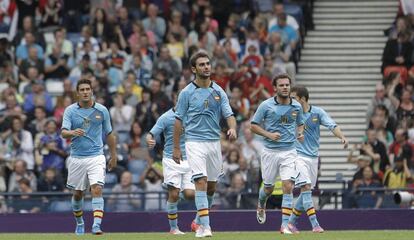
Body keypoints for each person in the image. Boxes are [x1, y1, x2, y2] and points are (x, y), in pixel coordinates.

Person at [173, 51, 237, 238]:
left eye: (208, 63)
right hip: (194, 142)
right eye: (201, 64)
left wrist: (232, 128)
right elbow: (178, 120)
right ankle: (205, 227)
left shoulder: (219, 91)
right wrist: (176, 147)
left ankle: (198, 221)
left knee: (211, 187)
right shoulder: (186, 93)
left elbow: (229, 115)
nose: (206, 67)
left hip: (214, 143)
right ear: (194, 69)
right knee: (200, 181)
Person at [288, 85, 348, 233]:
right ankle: (315, 224)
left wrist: (342, 137)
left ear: (302, 99)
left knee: (306, 192)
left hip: (313, 158)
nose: (291, 101)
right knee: (306, 187)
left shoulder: (317, 112)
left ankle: (290, 222)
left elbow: (331, 125)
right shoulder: (291, 114)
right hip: (298, 156)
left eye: (294, 98)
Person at [61, 79, 117, 235]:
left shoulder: (102, 110)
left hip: (96, 156)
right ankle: (80, 222)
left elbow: (110, 133)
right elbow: (63, 132)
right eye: (82, 89)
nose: (85, 92)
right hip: (77, 158)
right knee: (78, 193)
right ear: (77, 93)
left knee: (97, 189)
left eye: (88, 89)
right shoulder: (70, 111)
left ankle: (96, 226)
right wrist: (72, 132)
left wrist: (113, 155)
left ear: (92, 91)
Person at [250, 73, 304, 234]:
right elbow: (253, 126)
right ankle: (261, 205)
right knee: (268, 188)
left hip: (289, 151)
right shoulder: (266, 105)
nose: (285, 87)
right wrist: (268, 134)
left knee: (288, 186)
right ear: (275, 88)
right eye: (281, 85)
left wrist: (300, 133)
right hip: (270, 152)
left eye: (287, 85)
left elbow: (300, 124)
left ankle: (285, 225)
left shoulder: (297, 106)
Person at [146, 94, 197, 235]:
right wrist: (149, 139)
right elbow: (151, 133)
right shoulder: (166, 117)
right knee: (173, 195)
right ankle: (173, 228)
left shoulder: (193, 116)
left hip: (189, 160)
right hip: (171, 159)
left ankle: (197, 221)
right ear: (176, 100)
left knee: (190, 194)